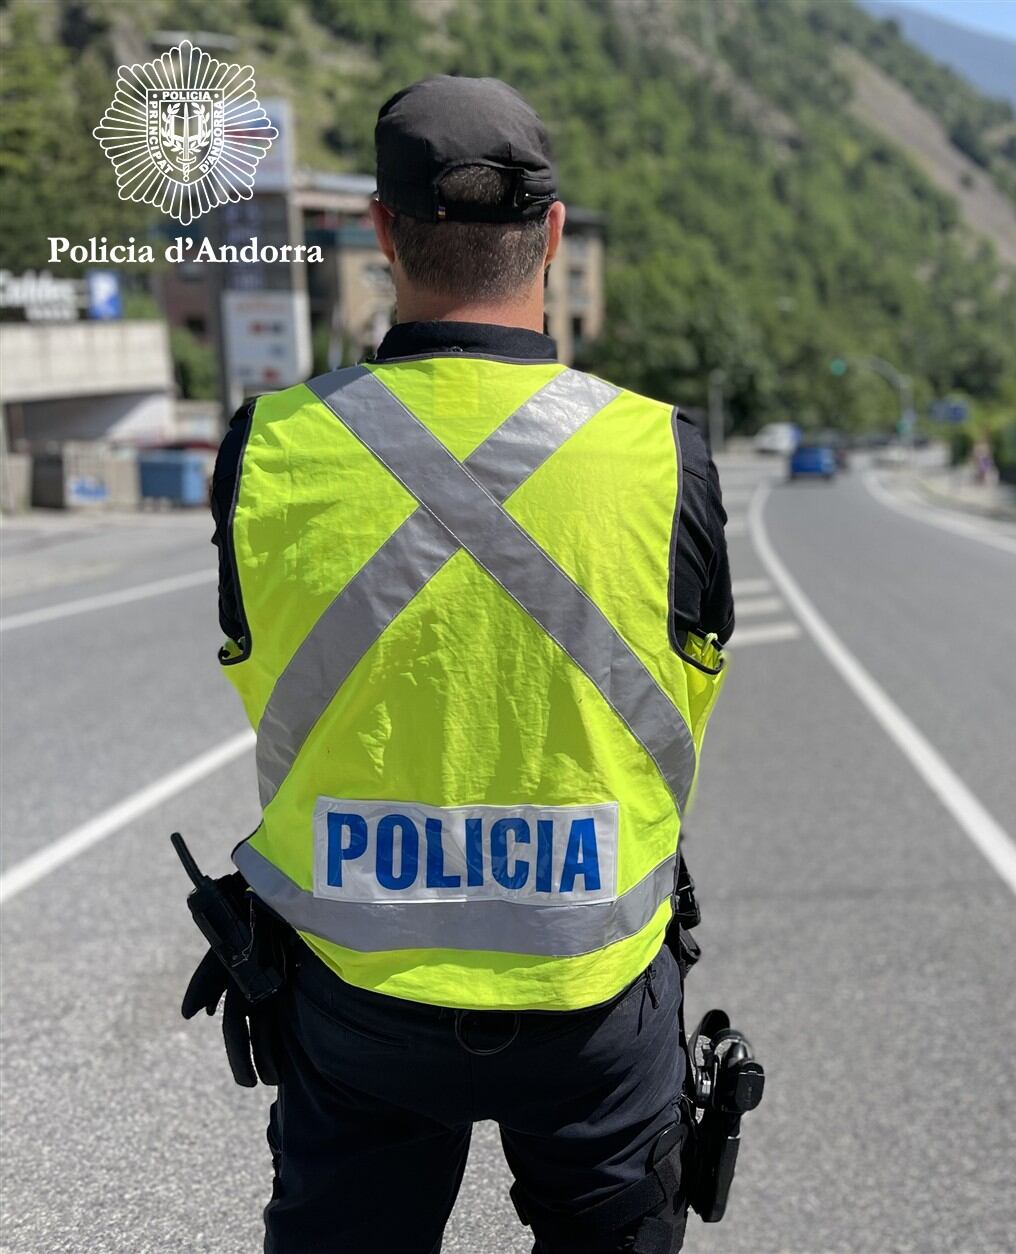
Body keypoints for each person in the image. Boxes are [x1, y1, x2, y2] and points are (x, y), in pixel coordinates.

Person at [186, 75, 734, 1253]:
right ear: (552, 232)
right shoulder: (661, 452)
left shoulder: (269, 448)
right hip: (595, 991)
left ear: (381, 234)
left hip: (352, 999)